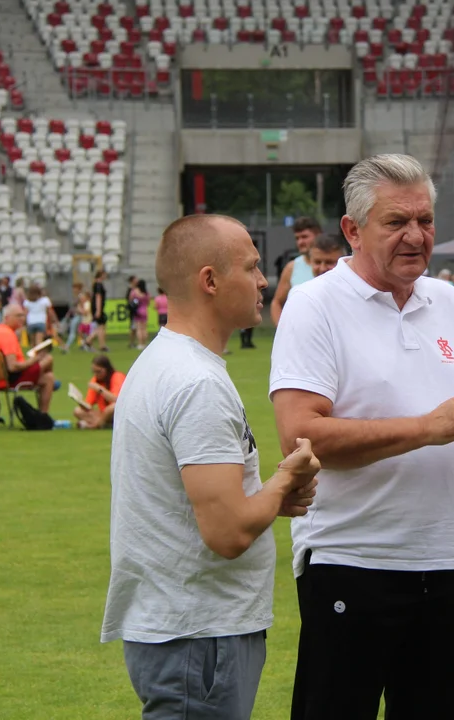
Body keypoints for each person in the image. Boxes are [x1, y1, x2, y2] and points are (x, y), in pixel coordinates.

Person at [269, 153, 454, 720]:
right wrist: (428, 428)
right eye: (396, 222)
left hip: (444, 562)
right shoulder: (314, 304)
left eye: (424, 220)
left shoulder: (446, 301)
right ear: (352, 230)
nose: (415, 235)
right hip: (352, 559)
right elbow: (301, 437)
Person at [100, 214, 320, 720]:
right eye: (252, 267)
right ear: (210, 281)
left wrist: (269, 500)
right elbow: (226, 532)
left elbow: (209, 506)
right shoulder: (196, 383)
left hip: (188, 631)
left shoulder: (164, 362)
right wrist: (287, 475)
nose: (264, 280)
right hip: (199, 635)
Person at [0, 304, 56, 413]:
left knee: (48, 378)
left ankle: (42, 417)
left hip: (0, 377)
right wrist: (34, 360)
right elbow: (13, 367)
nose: (22, 319)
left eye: (23, 316)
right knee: (48, 359)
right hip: (12, 379)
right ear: (7, 318)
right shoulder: (7, 334)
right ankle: (43, 415)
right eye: (18, 316)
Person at [270, 216, 322, 326]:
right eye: (297, 238)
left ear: (318, 235)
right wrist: (283, 330)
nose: (300, 242)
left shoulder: (334, 264)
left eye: (304, 237)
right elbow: (276, 303)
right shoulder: (292, 267)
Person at [75, 354, 125, 429]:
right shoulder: (95, 380)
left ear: (107, 369)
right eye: (94, 372)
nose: (96, 374)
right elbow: (89, 404)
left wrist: (100, 389)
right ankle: (103, 424)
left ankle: (94, 426)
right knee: (77, 411)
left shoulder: (117, 376)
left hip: (117, 412)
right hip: (103, 413)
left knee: (112, 407)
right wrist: (82, 404)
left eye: (99, 372)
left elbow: (117, 400)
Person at [90, 270, 109, 351]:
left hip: (98, 307)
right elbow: (98, 297)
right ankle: (101, 345)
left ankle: (89, 341)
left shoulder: (96, 284)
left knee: (101, 326)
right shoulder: (98, 285)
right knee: (100, 327)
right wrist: (98, 310)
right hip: (98, 307)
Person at [131, 279, 150, 349]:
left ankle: (140, 343)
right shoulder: (146, 293)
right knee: (144, 329)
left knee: (139, 328)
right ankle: (144, 343)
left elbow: (131, 300)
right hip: (144, 310)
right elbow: (148, 302)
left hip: (138, 310)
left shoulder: (135, 292)